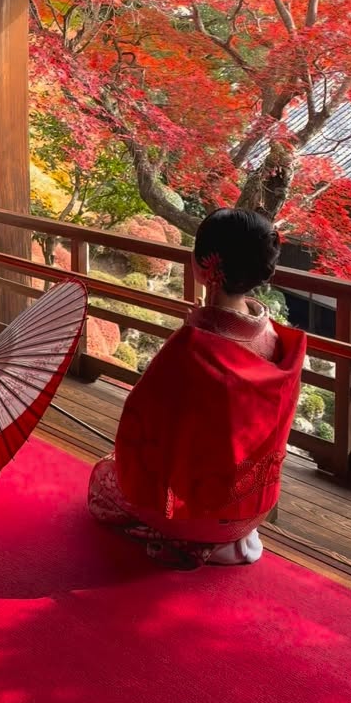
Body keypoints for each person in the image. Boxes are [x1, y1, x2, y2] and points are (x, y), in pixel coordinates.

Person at [88, 208, 306, 569]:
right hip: (250, 511)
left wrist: (192, 331)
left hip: (195, 517)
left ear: (204, 266)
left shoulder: (191, 349)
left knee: (103, 479)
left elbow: (139, 425)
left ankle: (184, 538)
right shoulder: (274, 339)